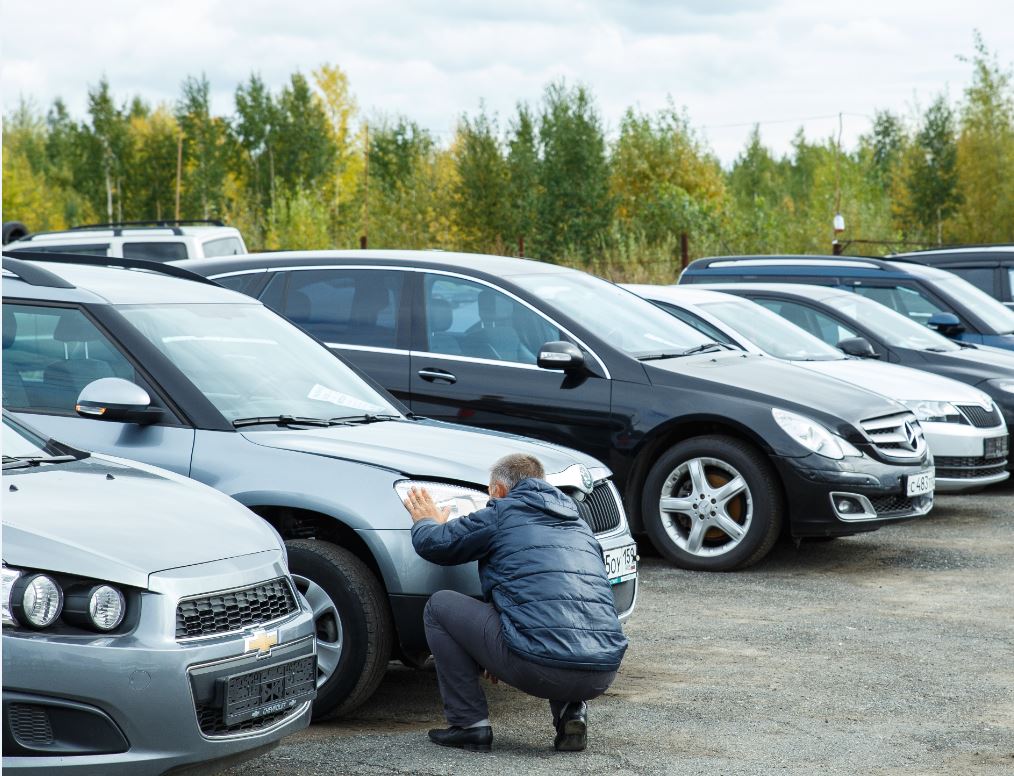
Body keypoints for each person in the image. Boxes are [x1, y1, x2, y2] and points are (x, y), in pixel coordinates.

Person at [402, 453, 628, 753]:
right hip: (602, 671)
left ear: (497, 490)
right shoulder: (580, 527)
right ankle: (571, 712)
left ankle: (469, 725)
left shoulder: (501, 513)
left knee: (440, 606)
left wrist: (426, 520)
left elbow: (436, 544)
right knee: (561, 613)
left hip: (538, 666)